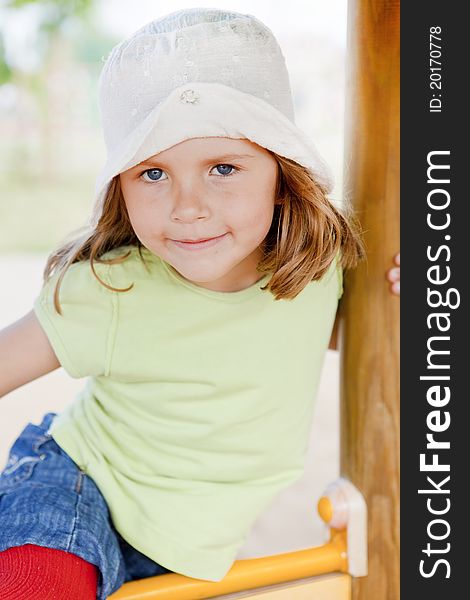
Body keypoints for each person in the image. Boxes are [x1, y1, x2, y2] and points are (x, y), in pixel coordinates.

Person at [0, 8, 399, 600]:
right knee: (38, 587)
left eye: (222, 168)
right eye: (154, 173)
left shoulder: (314, 279)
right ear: (121, 189)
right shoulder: (111, 290)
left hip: (182, 545)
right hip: (80, 487)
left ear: (280, 176)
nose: (188, 206)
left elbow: (370, 333)